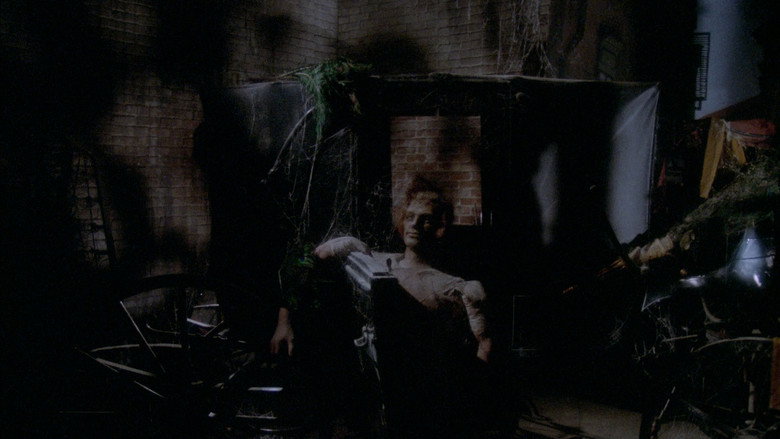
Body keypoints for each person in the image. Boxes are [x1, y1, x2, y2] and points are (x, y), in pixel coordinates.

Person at [314, 176, 495, 438]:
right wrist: (348, 244)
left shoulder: (453, 286)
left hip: (422, 393)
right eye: (410, 216)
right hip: (370, 385)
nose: (415, 224)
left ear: (440, 226)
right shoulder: (377, 262)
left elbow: (485, 346)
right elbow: (320, 255)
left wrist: (474, 407)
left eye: (426, 219)